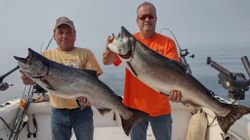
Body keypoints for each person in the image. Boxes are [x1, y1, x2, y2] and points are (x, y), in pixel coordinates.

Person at [103, 2, 182, 140]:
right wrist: (109, 48)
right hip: (134, 109)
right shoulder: (128, 42)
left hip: (161, 109)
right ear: (137, 20)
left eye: (150, 16)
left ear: (155, 18)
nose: (147, 20)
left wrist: (176, 91)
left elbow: (175, 73)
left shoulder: (167, 43)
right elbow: (107, 61)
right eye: (143, 17)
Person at [21, 16, 103, 140]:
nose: (64, 36)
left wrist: (90, 97)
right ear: (54, 35)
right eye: (60, 32)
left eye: (68, 32)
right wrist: (26, 77)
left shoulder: (85, 53)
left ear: (75, 35)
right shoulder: (46, 56)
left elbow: (94, 82)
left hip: (82, 112)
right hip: (58, 113)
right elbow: (29, 80)